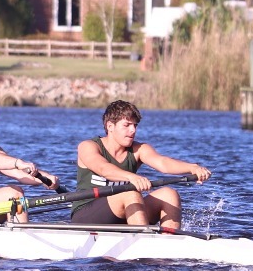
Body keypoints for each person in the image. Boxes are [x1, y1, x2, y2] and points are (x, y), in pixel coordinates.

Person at [71, 99, 211, 231]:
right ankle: (143, 243)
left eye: (135, 125)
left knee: (169, 194)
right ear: (110, 126)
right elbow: (104, 169)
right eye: (127, 125)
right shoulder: (88, 146)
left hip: (123, 212)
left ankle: (169, 241)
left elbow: (163, 163)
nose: (133, 130)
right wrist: (132, 177)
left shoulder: (139, 149)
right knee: (130, 193)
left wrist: (192, 168)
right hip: (87, 214)